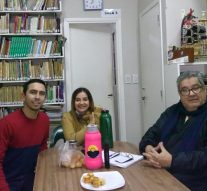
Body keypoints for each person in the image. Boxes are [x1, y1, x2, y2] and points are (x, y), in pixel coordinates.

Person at [139, 71, 207, 191]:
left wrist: (172, 161)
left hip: (193, 181)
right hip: (160, 172)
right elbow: (151, 134)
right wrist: (148, 148)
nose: (191, 94)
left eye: (196, 88)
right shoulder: (172, 111)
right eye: (185, 90)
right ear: (180, 94)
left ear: (204, 89)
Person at [0, 79, 49, 191]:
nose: (37, 97)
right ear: (23, 96)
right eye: (33, 92)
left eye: (42, 93)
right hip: (9, 182)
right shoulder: (6, 124)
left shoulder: (45, 120)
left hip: (33, 180)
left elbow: (42, 147)